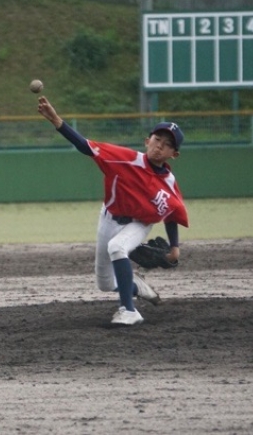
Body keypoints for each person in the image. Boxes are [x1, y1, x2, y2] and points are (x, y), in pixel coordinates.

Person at [37, 96, 188, 325]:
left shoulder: (168, 182)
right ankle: (137, 286)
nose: (160, 146)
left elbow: (171, 213)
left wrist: (175, 247)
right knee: (105, 284)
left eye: (167, 144)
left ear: (174, 154)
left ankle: (129, 311)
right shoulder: (124, 159)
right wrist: (57, 121)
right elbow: (85, 146)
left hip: (138, 224)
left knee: (117, 247)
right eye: (157, 139)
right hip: (108, 218)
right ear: (147, 140)